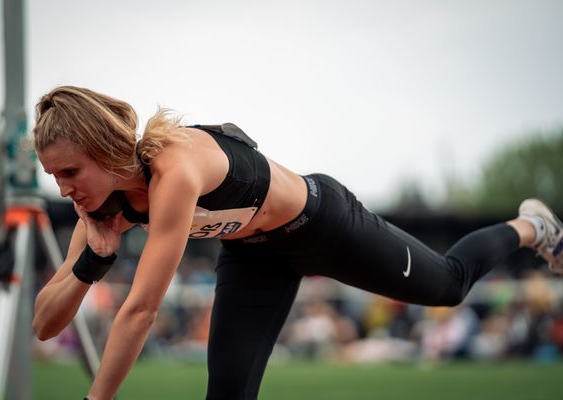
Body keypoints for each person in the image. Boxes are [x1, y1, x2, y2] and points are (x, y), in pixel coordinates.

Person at [31, 86, 563, 400]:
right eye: (54, 176)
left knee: (448, 285)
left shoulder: (174, 166)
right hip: (254, 256)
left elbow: (141, 311)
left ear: (105, 148)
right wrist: (88, 265)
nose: (65, 189)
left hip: (322, 224)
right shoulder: (99, 210)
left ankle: (532, 227)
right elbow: (43, 324)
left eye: (71, 171)